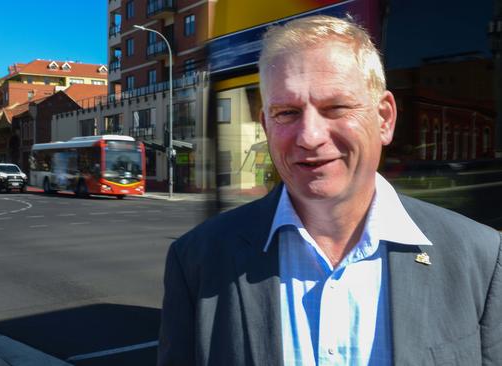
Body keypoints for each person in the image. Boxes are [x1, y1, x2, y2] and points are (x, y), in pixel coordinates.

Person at [158, 15, 502, 366]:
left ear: (384, 118)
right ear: (266, 125)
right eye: (287, 112)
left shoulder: (479, 257)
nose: (310, 136)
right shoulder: (196, 261)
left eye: (335, 107)